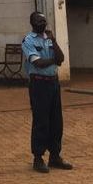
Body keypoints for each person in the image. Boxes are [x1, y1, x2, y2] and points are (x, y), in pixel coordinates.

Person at [21, 11, 73, 173]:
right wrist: (54, 60)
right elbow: (39, 63)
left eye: (43, 21)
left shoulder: (49, 39)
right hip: (39, 84)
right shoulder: (28, 40)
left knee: (56, 121)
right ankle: (38, 157)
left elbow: (61, 58)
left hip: (53, 84)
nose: (42, 23)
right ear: (32, 23)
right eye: (38, 21)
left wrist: (54, 41)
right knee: (41, 120)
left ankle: (55, 156)